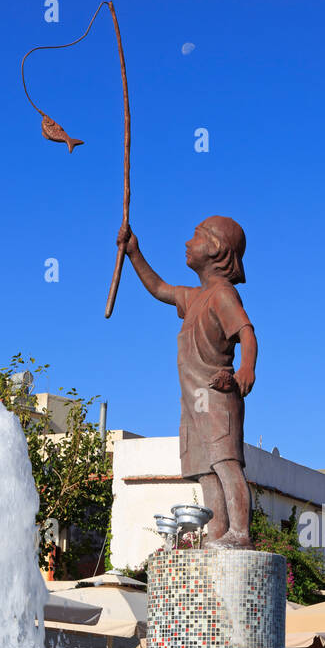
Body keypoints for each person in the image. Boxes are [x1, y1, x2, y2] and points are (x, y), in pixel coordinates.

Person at [117, 215, 256, 548]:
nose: (186, 243)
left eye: (195, 236)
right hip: (193, 401)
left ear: (215, 248)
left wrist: (246, 369)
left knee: (225, 463)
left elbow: (247, 333)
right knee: (205, 469)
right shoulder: (194, 298)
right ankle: (218, 530)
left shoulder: (223, 295)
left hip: (217, 393)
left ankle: (240, 532)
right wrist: (134, 253)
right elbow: (160, 288)